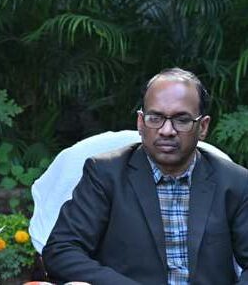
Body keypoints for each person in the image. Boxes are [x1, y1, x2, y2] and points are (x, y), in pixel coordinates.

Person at [42, 68, 248, 284]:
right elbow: (61, 251)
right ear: (140, 122)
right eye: (155, 118)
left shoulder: (235, 182)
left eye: (182, 120)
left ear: (203, 127)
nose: (167, 130)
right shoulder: (105, 175)